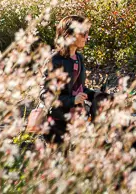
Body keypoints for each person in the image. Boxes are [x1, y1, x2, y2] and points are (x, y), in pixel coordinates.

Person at [40, 15, 107, 143]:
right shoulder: (54, 60)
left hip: (76, 120)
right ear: (69, 34)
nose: (86, 37)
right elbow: (45, 95)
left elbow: (79, 89)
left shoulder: (78, 58)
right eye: (83, 33)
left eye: (87, 33)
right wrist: (72, 100)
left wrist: (97, 95)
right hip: (56, 122)